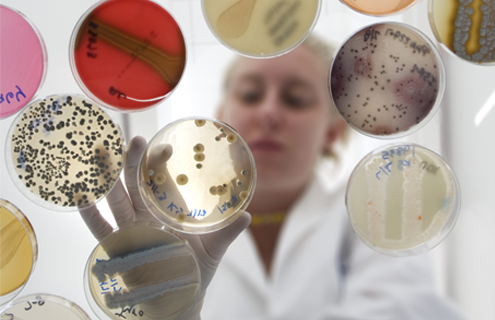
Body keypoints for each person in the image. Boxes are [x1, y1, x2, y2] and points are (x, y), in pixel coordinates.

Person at [80, 35, 466, 320]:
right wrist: (173, 313)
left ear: (332, 131)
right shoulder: (170, 241)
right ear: (222, 119)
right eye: (250, 95)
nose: (268, 113)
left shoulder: (372, 223)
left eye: (295, 99)